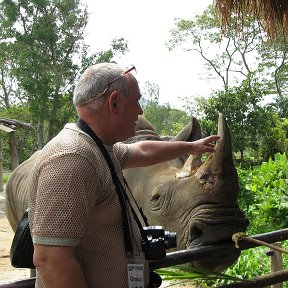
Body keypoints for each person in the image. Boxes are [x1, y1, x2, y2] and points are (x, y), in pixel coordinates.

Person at [28, 62, 220, 288]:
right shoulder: (72, 158)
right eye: (137, 101)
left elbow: (143, 150)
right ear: (115, 102)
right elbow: (51, 259)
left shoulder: (98, 148)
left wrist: (191, 147)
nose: (140, 111)